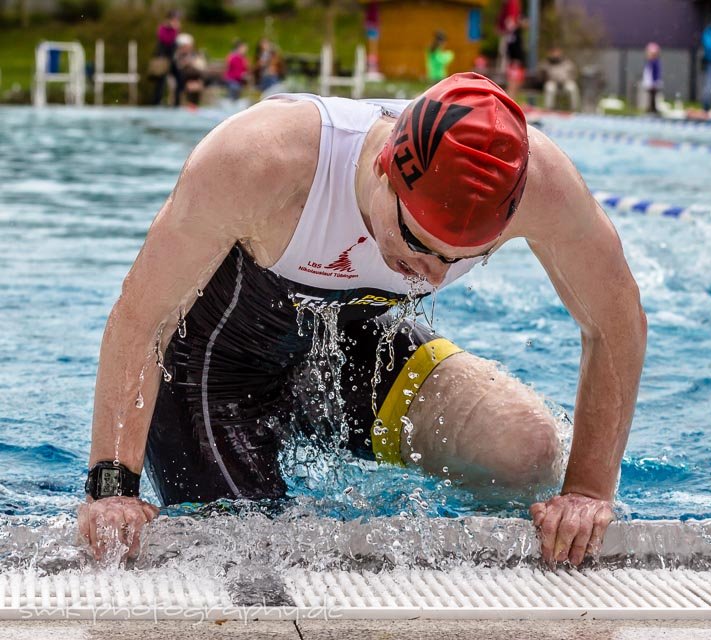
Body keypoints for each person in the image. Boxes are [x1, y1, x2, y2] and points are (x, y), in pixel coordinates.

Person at [76, 73, 647, 568]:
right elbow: (142, 318)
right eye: (418, 244)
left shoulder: (537, 182)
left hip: (353, 350)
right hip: (213, 377)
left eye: (460, 257)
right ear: (382, 168)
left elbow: (616, 322)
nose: (431, 275)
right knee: (252, 549)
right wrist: (111, 488)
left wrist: (588, 492)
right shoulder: (264, 160)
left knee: (527, 451)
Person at [150, 10, 181, 106]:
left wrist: (176, 30)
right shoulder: (163, 28)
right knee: (160, 82)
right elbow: (166, 40)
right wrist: (174, 29)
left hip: (171, 59)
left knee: (180, 79)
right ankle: (156, 103)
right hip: (163, 59)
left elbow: (175, 43)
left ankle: (176, 103)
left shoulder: (174, 29)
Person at [174, 34, 206, 108]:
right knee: (190, 86)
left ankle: (194, 105)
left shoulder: (195, 54)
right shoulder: (178, 55)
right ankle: (188, 105)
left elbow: (201, 66)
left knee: (197, 86)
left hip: (195, 77)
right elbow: (178, 68)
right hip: (184, 79)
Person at [640, 42, 662, 114]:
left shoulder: (654, 62)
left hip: (653, 83)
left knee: (652, 97)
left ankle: (652, 109)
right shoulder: (651, 62)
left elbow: (654, 74)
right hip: (651, 82)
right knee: (651, 96)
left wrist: (654, 82)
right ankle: (651, 109)